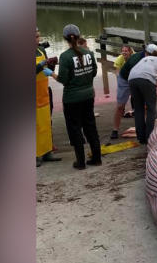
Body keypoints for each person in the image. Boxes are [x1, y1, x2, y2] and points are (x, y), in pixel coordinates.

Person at [55, 24, 102, 170]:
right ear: (79, 35)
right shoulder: (89, 53)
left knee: (75, 129)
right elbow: (94, 72)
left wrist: (51, 74)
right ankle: (96, 158)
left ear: (65, 39)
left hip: (72, 98)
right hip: (88, 95)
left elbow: (64, 79)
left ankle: (80, 162)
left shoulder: (65, 56)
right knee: (90, 126)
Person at [36, 29, 61, 167]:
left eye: (38, 36)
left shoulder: (41, 50)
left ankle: (47, 152)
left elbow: (47, 70)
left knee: (46, 124)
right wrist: (39, 65)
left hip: (43, 93)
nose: (37, 39)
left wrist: (51, 65)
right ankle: (35, 155)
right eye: (35, 37)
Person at [110, 44, 134, 139]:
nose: (124, 52)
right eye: (122, 51)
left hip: (134, 79)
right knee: (120, 106)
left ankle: (143, 126)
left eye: (126, 51)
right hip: (123, 80)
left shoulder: (134, 58)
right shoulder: (120, 59)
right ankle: (115, 129)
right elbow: (117, 72)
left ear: (130, 52)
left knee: (141, 103)